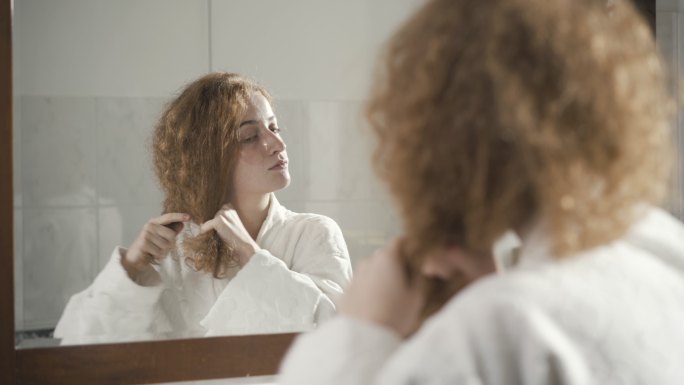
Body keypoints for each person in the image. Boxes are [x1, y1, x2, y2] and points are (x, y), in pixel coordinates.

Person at [278, 0, 684, 384]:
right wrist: (498, 285)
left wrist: (361, 333)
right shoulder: (666, 254)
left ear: (444, 131)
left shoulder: (496, 328)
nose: (274, 143)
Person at [54, 73, 353, 344]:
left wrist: (251, 255)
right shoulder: (173, 254)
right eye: (250, 137)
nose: (277, 143)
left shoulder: (314, 234)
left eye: (274, 127)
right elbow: (82, 354)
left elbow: (338, 341)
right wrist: (131, 268)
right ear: (208, 158)